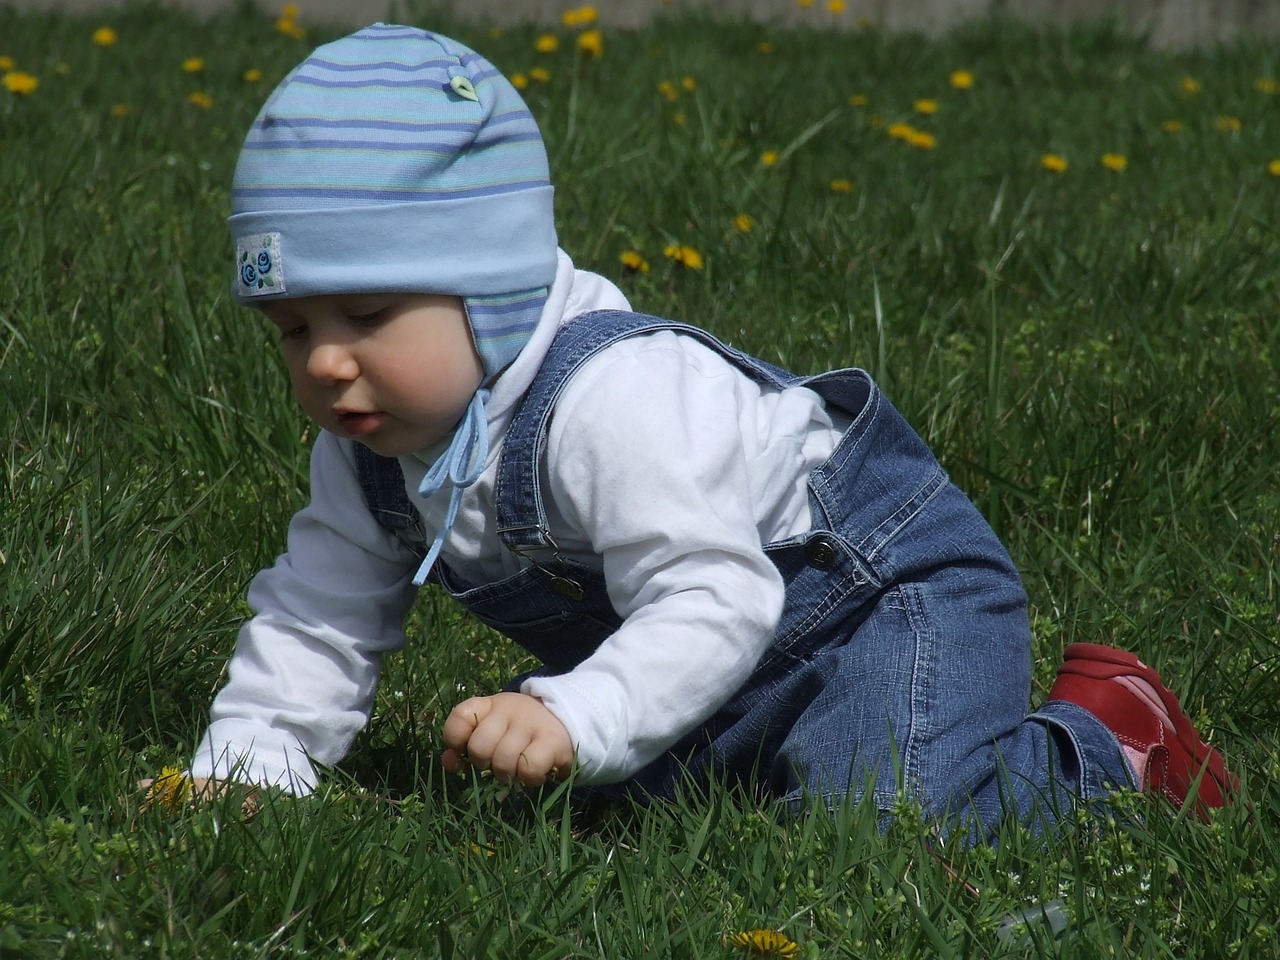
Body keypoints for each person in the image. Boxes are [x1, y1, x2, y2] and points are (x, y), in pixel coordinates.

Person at [186, 23, 1236, 837]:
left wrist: (577, 715)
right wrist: (250, 768)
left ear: (492, 293)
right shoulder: (367, 450)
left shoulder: (610, 401)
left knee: (883, 831)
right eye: (289, 330)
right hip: (698, 651)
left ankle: (1107, 739)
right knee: (573, 808)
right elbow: (318, 616)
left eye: (367, 318)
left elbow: (719, 594)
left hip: (869, 603)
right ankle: (732, 752)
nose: (325, 362)